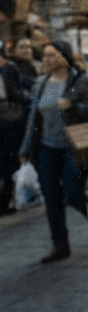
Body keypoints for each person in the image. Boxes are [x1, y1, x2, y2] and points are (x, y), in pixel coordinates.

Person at [18, 41, 88, 263]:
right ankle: (60, 245)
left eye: (51, 55)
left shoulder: (80, 81)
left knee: (73, 192)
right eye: (44, 56)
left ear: (64, 58)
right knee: (51, 197)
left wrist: (74, 107)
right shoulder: (41, 83)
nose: (46, 60)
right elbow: (33, 118)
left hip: (73, 148)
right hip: (47, 149)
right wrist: (26, 149)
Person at [0, 41, 28, 216]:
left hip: (6, 121)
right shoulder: (9, 68)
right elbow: (14, 93)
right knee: (9, 163)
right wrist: (30, 97)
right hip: (9, 122)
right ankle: (4, 203)